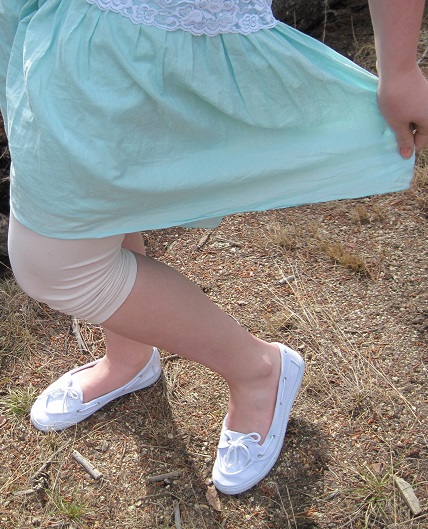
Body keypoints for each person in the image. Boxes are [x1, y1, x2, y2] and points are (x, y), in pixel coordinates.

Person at [1, 0, 427, 496]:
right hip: (56, 22)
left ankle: (259, 370)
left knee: (53, 267)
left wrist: (400, 66)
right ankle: (129, 357)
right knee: (106, 202)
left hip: (148, 27)